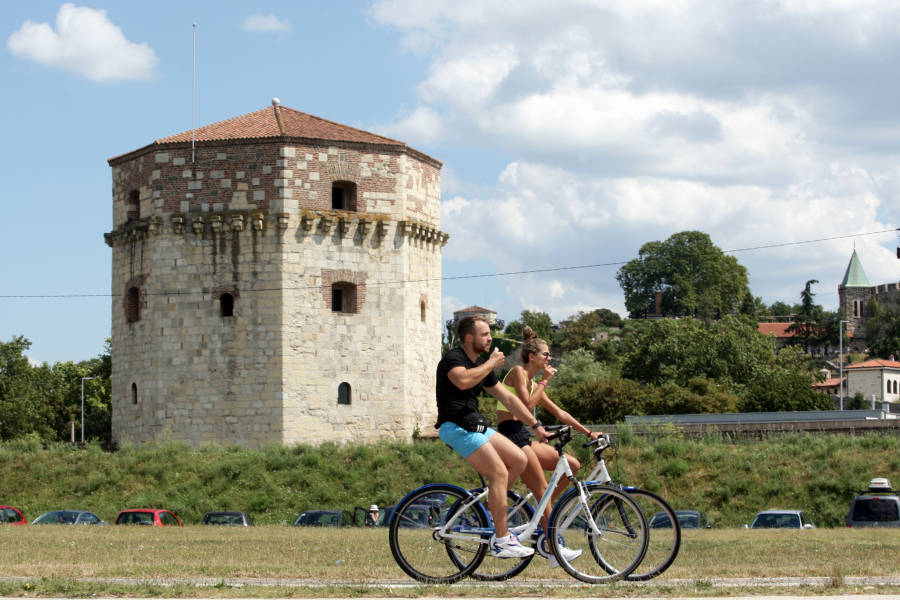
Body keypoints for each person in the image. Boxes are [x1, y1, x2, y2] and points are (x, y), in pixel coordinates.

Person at [436, 315, 550, 559]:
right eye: (485, 334)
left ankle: (491, 505)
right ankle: (502, 539)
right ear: (469, 338)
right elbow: (462, 381)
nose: (490, 338)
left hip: (475, 426)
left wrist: (536, 425)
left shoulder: (481, 365)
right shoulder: (453, 358)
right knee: (499, 472)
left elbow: (508, 399)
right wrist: (491, 363)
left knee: (519, 459)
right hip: (455, 426)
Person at [498, 326, 602, 568]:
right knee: (543, 490)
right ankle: (555, 551)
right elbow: (525, 405)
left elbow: (559, 412)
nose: (549, 358)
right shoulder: (518, 372)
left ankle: (541, 508)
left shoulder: (534, 383)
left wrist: (588, 432)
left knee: (572, 466)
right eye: (545, 354)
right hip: (510, 435)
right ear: (532, 356)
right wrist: (544, 381)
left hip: (522, 434)